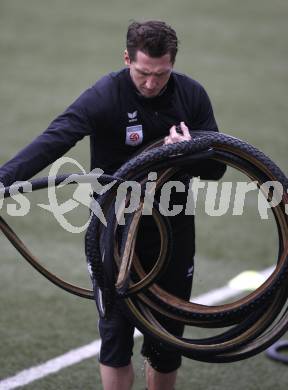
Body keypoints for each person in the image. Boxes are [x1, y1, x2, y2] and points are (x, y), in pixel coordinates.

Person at [0, 20, 226, 390]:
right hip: (114, 232)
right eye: (143, 73)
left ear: (173, 64)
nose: (152, 83)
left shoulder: (191, 95)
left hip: (174, 230)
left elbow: (217, 167)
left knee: (166, 345)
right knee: (116, 340)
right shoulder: (105, 96)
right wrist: (3, 180)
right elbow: (54, 139)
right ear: (126, 59)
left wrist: (188, 153)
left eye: (161, 74)